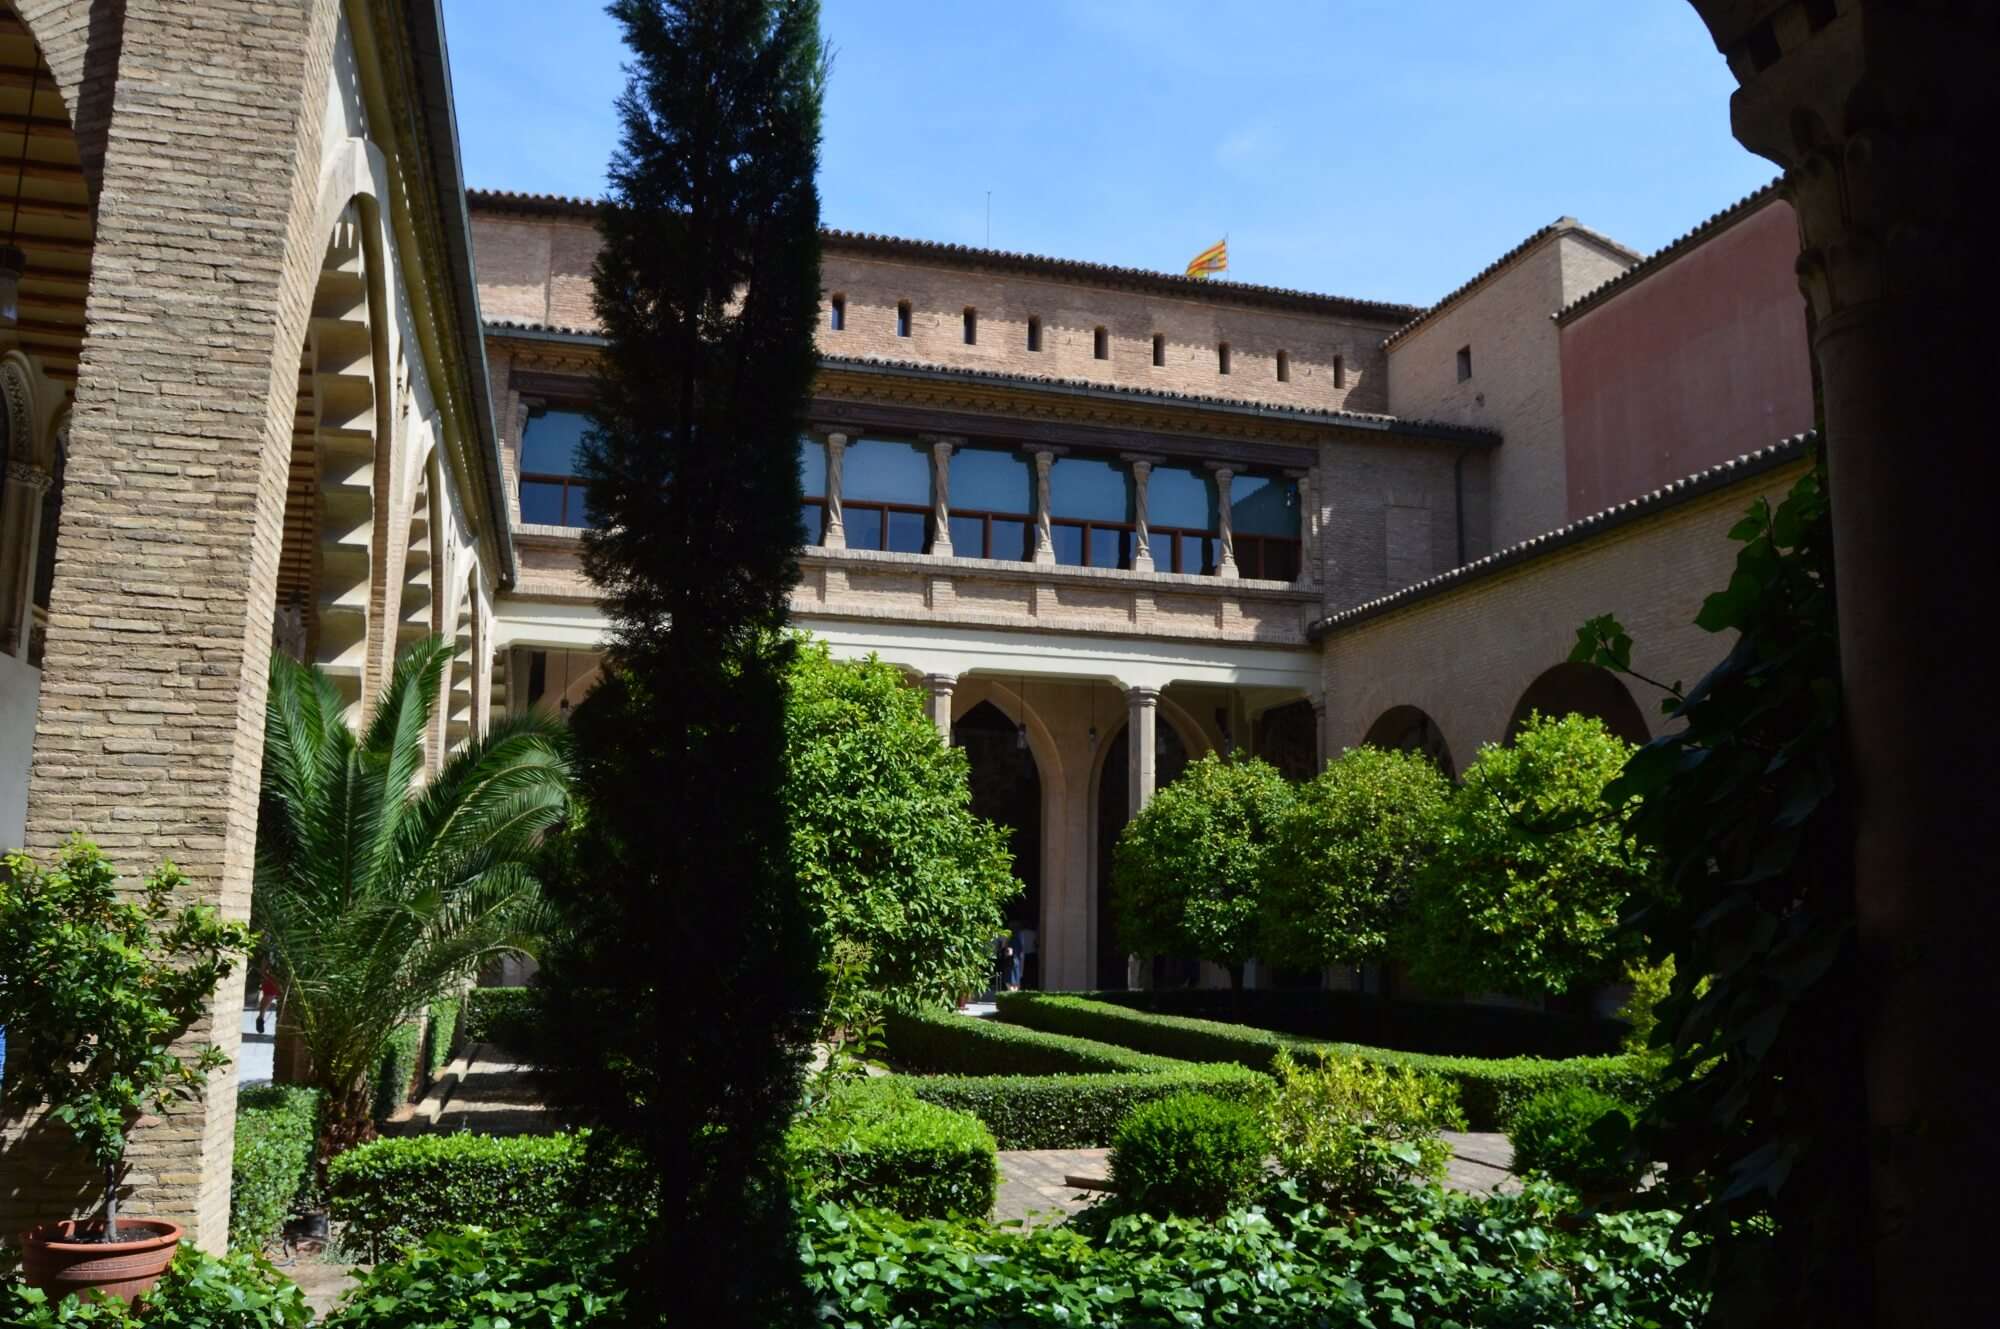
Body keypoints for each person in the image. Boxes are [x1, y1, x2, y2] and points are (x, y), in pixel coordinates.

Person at [255, 958, 279, 1036]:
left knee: (270, 994)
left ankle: (261, 1017)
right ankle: (261, 1017)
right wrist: (263, 972)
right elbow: (265, 957)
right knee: (269, 994)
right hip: (271, 974)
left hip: (278, 973)